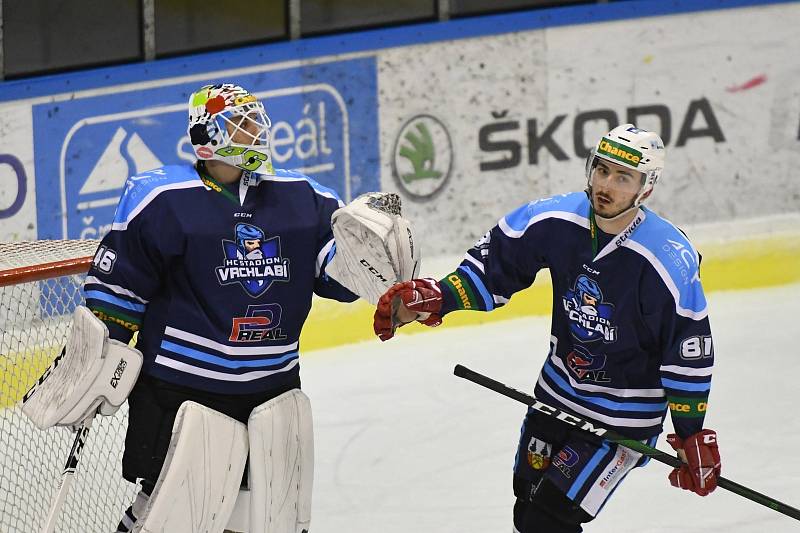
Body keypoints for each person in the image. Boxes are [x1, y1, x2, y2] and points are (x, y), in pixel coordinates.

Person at [373, 124, 721, 532]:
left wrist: (691, 435)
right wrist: (436, 297)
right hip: (557, 393)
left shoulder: (665, 258)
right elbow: (494, 269)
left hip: (621, 418)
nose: (606, 185)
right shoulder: (557, 218)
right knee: (528, 507)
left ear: (646, 188)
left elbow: (686, 352)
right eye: (602, 170)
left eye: (622, 177)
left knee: (548, 520)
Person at [82, 83, 362, 532]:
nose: (256, 131)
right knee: (173, 514)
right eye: (242, 123)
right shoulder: (163, 198)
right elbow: (121, 293)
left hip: (271, 389)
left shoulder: (304, 197)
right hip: (182, 388)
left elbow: (339, 277)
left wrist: (373, 267)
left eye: (256, 121)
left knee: (261, 519)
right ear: (207, 135)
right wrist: (96, 359)